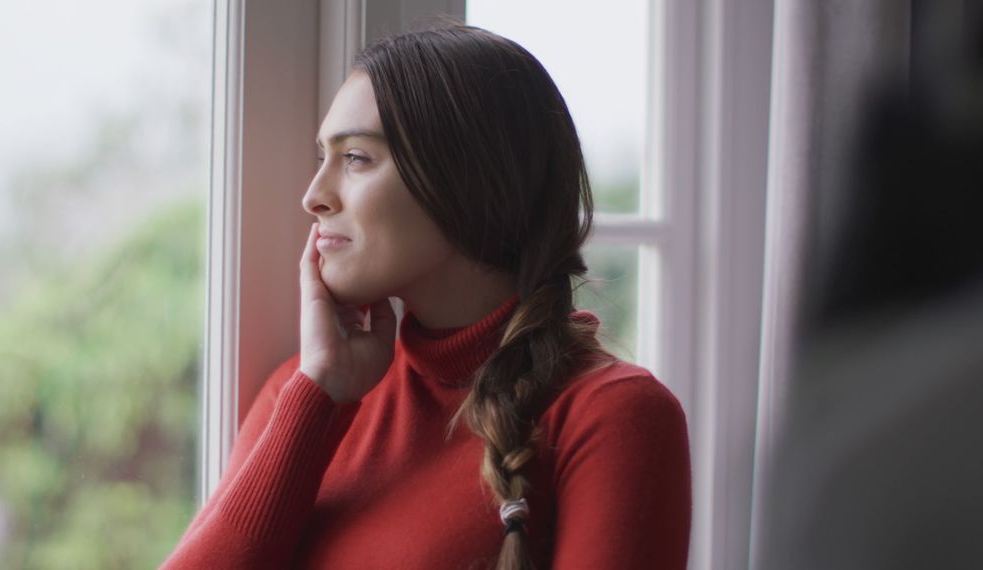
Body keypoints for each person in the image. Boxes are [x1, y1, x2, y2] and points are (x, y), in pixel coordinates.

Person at [161, 24, 690, 570]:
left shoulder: (613, 416)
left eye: (356, 158)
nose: (313, 196)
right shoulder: (304, 394)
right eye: (323, 156)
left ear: (466, 178)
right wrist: (317, 396)